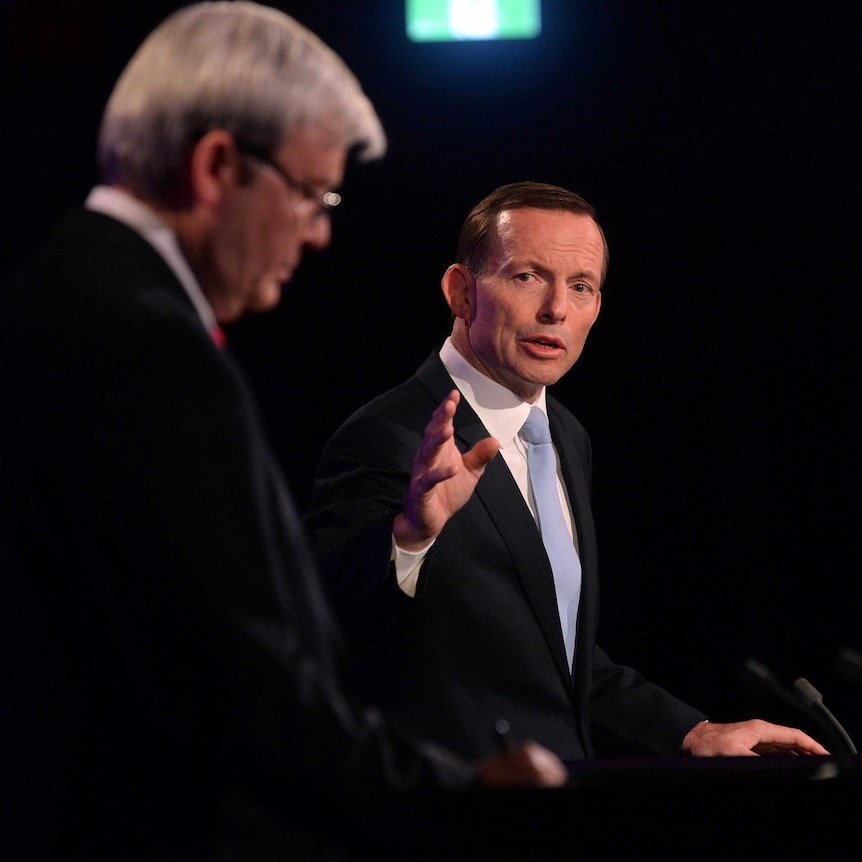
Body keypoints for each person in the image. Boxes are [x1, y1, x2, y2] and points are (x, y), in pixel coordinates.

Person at [0, 8, 568, 861]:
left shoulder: (54, 296)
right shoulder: (145, 344)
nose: (320, 230)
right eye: (310, 193)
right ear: (218, 165)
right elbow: (238, 684)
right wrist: (459, 798)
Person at [303, 181, 829, 763]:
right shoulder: (390, 434)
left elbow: (554, 661)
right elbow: (320, 627)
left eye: (580, 286)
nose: (556, 309)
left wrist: (692, 732)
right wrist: (410, 537)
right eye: (527, 276)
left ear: (596, 308)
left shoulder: (566, 437)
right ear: (461, 292)